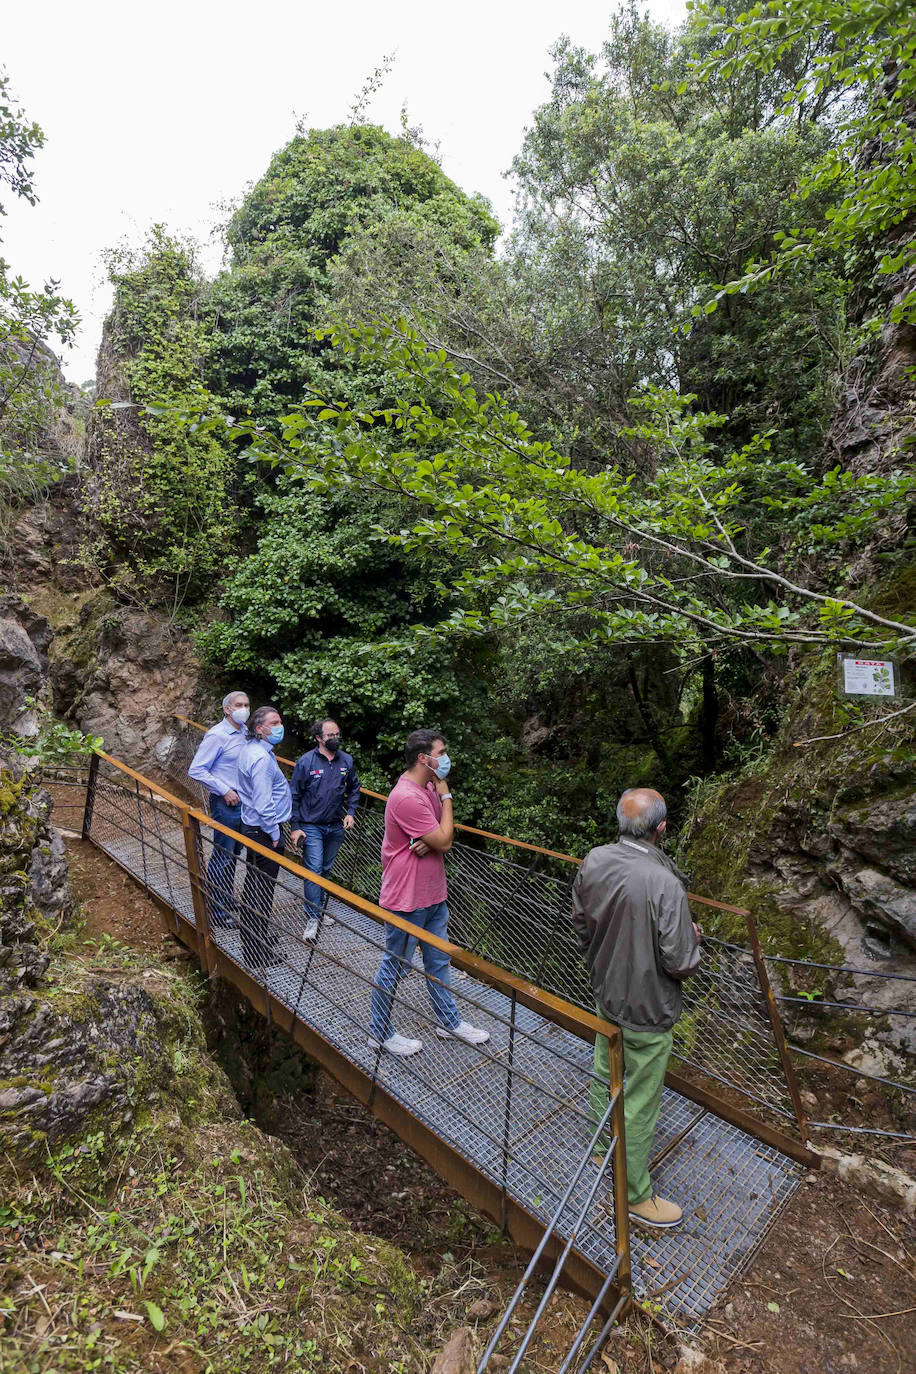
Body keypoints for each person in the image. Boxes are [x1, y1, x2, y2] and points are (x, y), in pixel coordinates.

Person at [571, 787, 702, 1231]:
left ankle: (597, 1143)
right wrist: (691, 935)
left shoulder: (595, 860)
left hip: (606, 990)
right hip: (648, 1005)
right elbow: (681, 961)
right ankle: (633, 1194)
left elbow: (582, 925)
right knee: (641, 1101)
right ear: (661, 828)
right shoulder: (665, 881)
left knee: (605, 1068)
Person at [368, 728, 490, 1057]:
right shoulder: (407, 795)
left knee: (438, 961)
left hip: (433, 893)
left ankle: (448, 1022)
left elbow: (439, 832)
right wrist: (446, 797)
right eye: (442, 752)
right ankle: (378, 1032)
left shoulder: (426, 787)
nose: (446, 758)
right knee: (395, 965)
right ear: (424, 758)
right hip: (406, 898)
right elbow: (446, 839)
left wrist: (432, 835)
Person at [289, 719, 360, 941]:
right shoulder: (306, 762)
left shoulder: (346, 760)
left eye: (337, 734)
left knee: (326, 869)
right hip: (311, 826)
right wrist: (295, 826)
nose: (335, 738)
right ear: (319, 738)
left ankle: (318, 909)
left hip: (336, 825)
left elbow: (355, 788)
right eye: (330, 735)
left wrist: (351, 812)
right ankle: (312, 917)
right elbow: (295, 795)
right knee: (314, 869)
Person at [235, 705, 292, 970]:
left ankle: (255, 940)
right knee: (261, 891)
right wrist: (274, 832)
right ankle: (256, 953)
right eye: (275, 722)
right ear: (260, 729)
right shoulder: (259, 758)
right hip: (264, 832)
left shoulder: (253, 750)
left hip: (255, 828)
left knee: (255, 887)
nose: (280, 726)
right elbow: (263, 801)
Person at [187, 690, 250, 928]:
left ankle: (225, 899)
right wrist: (224, 789)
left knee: (233, 854)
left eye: (246, 704)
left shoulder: (245, 733)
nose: (244, 708)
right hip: (226, 803)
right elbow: (197, 769)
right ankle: (215, 910)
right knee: (222, 855)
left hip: (244, 803)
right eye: (238, 705)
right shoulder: (217, 735)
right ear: (227, 709)